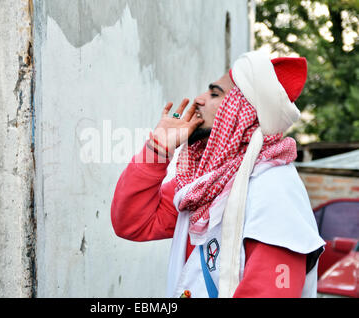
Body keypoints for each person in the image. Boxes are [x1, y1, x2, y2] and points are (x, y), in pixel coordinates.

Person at [111, 51, 325, 298]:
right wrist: (157, 147)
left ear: (244, 112)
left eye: (214, 94)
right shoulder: (208, 182)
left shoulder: (275, 193)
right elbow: (133, 223)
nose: (199, 100)